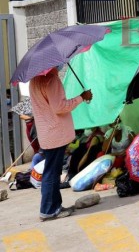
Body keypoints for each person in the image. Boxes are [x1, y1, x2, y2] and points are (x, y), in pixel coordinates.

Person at [29, 66, 92, 221]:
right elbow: (60, 107)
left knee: (53, 171)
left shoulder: (34, 80)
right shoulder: (51, 80)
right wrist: (81, 97)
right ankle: (48, 210)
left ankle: (55, 206)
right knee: (52, 173)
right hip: (55, 133)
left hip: (46, 133)